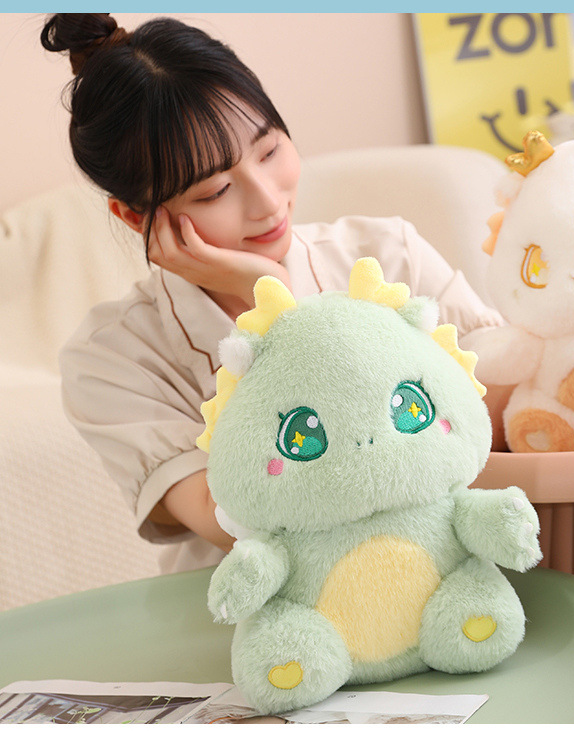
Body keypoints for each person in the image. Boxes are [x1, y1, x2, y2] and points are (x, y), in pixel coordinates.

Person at [43, 13, 505, 573]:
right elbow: (248, 523)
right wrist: (273, 301)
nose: (267, 201)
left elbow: (503, 409)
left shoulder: (387, 254)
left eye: (268, 151)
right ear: (137, 216)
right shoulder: (113, 359)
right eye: (215, 190)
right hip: (260, 621)